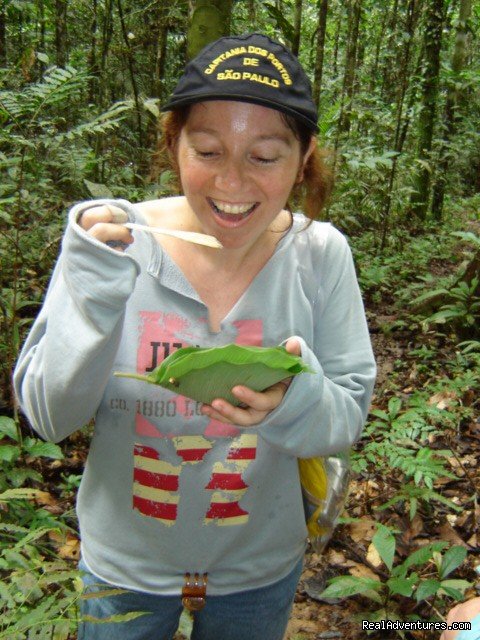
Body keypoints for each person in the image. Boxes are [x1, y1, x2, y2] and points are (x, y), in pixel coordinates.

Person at [13, 33, 376, 640]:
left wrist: (294, 397)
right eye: (207, 151)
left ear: (304, 155)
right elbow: (49, 417)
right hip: (123, 572)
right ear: (173, 143)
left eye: (264, 157)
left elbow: (345, 418)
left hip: (260, 570)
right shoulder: (113, 242)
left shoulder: (319, 256)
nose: (231, 185)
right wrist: (92, 293)